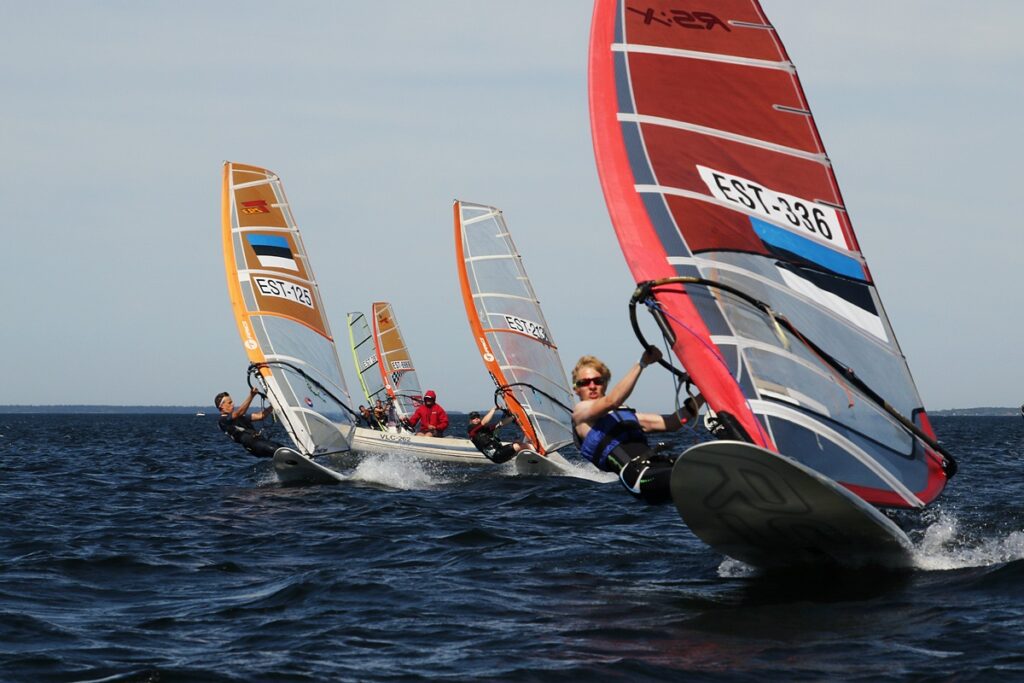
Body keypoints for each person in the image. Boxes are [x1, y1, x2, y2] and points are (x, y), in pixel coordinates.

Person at [571, 346, 702, 503]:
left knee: (704, 469)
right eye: (584, 383)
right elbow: (612, 401)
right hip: (639, 478)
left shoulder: (623, 415)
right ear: (576, 389)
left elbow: (673, 423)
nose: (592, 386)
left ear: (605, 383)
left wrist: (704, 394)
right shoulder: (580, 413)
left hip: (659, 466)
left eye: (598, 381)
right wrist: (642, 363)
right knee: (691, 476)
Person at [215, 387, 285, 458]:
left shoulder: (240, 417)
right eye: (229, 403)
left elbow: (260, 416)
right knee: (279, 451)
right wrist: (251, 395)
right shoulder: (223, 420)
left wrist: (273, 405)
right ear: (221, 406)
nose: (233, 404)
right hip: (252, 444)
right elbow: (239, 413)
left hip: (261, 440)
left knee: (283, 449)